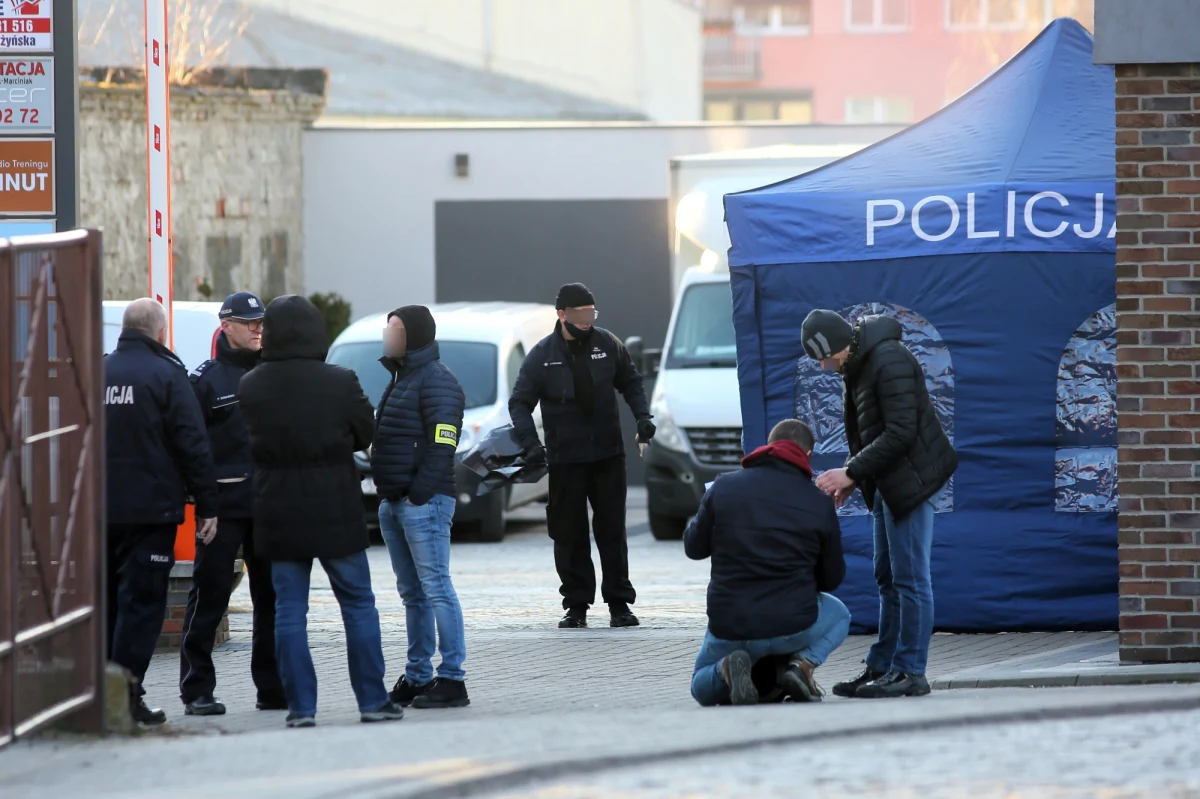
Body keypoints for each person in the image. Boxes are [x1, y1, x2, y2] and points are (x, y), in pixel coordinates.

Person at [238, 295, 403, 728]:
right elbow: (366, 431)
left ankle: (301, 708)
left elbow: (247, 442)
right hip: (335, 503)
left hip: (276, 505)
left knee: (289, 610)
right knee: (358, 604)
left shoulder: (252, 385)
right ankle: (372, 700)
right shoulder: (340, 380)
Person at [802, 310, 958, 700]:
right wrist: (858, 479)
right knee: (887, 577)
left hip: (912, 481)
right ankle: (884, 664)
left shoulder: (887, 359)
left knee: (910, 579)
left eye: (821, 357)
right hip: (888, 480)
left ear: (835, 345)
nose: (822, 366)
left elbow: (901, 432)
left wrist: (851, 472)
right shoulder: (858, 361)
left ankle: (910, 670)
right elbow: (869, 431)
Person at [509, 283, 655, 629]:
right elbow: (519, 403)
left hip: (607, 455)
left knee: (612, 532)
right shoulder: (542, 355)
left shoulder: (608, 344)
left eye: (591, 313)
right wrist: (531, 444)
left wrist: (643, 417)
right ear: (561, 315)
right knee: (569, 533)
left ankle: (620, 603)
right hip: (565, 460)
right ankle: (576, 606)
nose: (587, 321)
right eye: (580, 315)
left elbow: (631, 382)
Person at [104, 298, 219, 726]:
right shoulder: (167, 375)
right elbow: (193, 444)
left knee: (106, 603)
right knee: (141, 606)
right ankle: (126, 697)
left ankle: (101, 694)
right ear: (160, 333)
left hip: (99, 514)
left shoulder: (98, 371)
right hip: (151, 514)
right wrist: (208, 505)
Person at [685, 419, 850, 706]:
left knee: (700, 683)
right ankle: (801, 667)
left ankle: (726, 669)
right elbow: (831, 579)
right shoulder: (819, 502)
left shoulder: (723, 487)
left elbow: (694, 548)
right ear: (807, 456)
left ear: (768, 446)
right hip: (793, 624)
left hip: (731, 624)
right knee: (840, 614)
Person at [178, 291, 286, 716]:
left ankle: (272, 687)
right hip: (222, 509)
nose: (259, 328)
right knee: (210, 596)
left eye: (261, 322)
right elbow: (192, 446)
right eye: (250, 322)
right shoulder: (207, 380)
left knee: (272, 600)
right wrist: (202, 503)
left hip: (268, 505)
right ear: (226, 326)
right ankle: (196, 689)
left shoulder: (275, 373)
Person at [373, 305, 471, 710]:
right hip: (395, 501)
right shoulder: (402, 378)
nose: (387, 335)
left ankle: (452, 679)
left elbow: (442, 444)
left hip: (422, 503)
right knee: (412, 594)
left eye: (394, 329)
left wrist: (418, 494)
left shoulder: (437, 381)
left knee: (436, 588)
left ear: (413, 335)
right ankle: (417, 676)